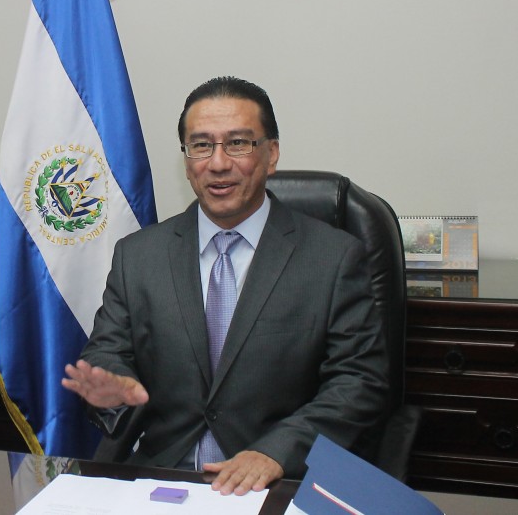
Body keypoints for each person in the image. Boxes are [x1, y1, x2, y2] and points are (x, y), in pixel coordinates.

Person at [62, 76, 388, 496]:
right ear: (186, 160)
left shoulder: (333, 258)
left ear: (271, 154)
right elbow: (107, 351)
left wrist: (275, 452)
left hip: (275, 482)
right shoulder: (138, 256)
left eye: (237, 143)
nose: (217, 163)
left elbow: (358, 382)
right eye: (201, 145)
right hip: (162, 479)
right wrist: (114, 387)